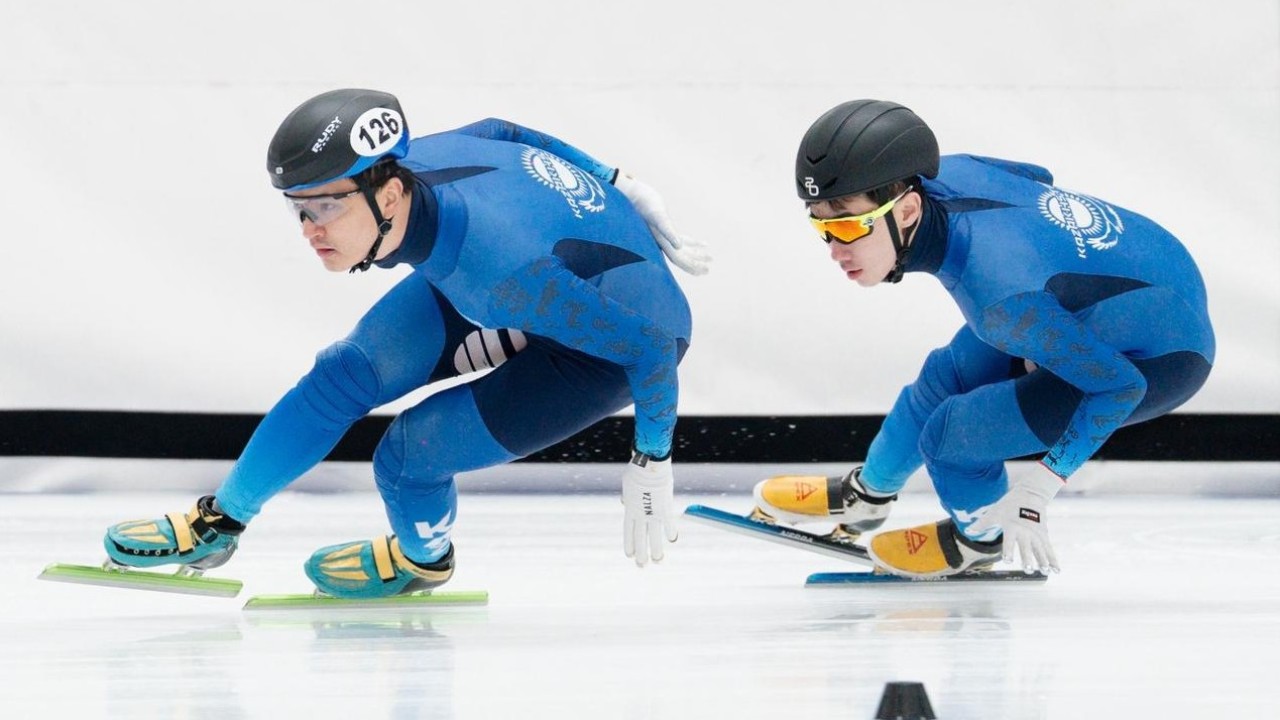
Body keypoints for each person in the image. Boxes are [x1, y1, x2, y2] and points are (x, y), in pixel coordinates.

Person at [103, 88, 710, 597]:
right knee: (342, 377)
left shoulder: (500, 269)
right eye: (298, 211)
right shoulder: (412, 169)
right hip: (531, 274)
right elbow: (501, 127)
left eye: (325, 208)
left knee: (405, 459)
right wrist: (617, 180)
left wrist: (651, 460)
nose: (310, 231)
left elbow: (651, 349)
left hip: (609, 340)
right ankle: (220, 522)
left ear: (389, 196)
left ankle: (423, 560)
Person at [754, 99, 1214, 578]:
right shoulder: (954, 172)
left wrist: (1040, 488)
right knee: (945, 375)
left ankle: (979, 541)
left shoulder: (1000, 298)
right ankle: (866, 495)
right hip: (1139, 284)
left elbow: (1121, 387)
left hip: (1162, 358)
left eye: (848, 225)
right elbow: (1037, 174)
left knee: (953, 436)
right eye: (820, 225)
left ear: (909, 209)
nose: (834, 250)